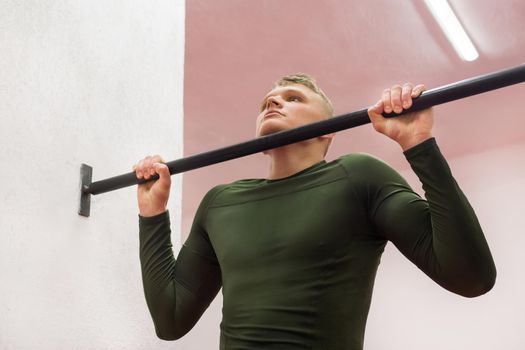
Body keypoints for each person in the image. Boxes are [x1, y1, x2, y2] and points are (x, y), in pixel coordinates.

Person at [132, 74, 496, 350]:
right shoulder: (220, 202)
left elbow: (470, 277)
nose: (274, 101)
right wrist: (153, 216)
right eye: (267, 101)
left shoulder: (358, 176)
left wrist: (419, 145)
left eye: (293, 98)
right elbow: (171, 318)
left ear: (328, 133)